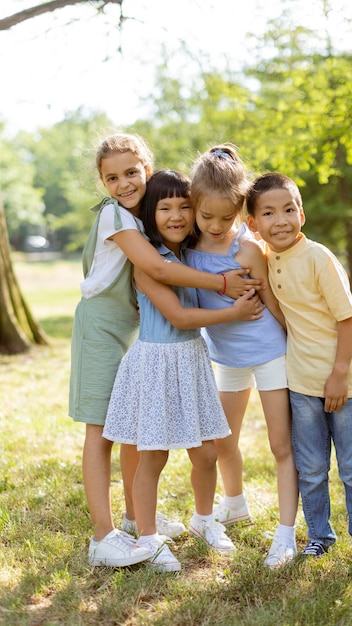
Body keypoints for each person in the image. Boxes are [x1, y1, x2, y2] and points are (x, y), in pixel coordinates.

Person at [69, 133, 263, 568]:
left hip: (140, 333)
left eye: (131, 172)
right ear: (102, 182)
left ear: (148, 169)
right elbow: (157, 269)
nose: (123, 183)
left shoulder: (158, 223)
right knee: (102, 430)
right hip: (103, 328)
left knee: (140, 434)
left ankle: (140, 518)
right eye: (112, 177)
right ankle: (105, 536)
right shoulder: (117, 217)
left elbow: (213, 224)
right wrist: (225, 287)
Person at [246, 172, 352, 583]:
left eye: (289, 209)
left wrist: (340, 374)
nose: (281, 220)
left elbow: (348, 317)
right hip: (301, 384)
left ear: (301, 214)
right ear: (254, 224)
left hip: (344, 384)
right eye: (269, 213)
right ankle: (320, 536)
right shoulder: (268, 260)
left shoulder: (319, 257)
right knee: (309, 468)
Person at [185, 145, 299, 568]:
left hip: (270, 352)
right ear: (193, 206)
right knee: (222, 441)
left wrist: (299, 345)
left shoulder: (247, 250)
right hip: (227, 357)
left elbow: (271, 302)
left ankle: (285, 535)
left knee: (279, 443)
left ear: (240, 213)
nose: (216, 226)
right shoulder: (185, 251)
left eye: (226, 218)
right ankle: (234, 504)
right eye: (206, 216)